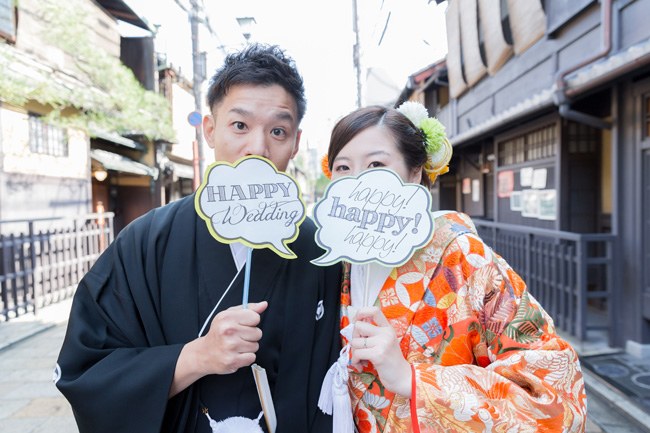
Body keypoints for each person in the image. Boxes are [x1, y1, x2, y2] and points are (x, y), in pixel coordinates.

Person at [55, 44, 341, 433]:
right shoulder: (147, 241)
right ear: (210, 130)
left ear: (295, 142)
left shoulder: (319, 249)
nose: (257, 148)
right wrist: (197, 357)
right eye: (239, 125)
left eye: (277, 131)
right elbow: (87, 369)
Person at [321, 103, 587, 432]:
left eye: (376, 164)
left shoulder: (465, 258)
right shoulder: (335, 260)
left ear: (414, 172)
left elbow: (551, 392)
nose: (359, 182)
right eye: (343, 168)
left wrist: (413, 380)